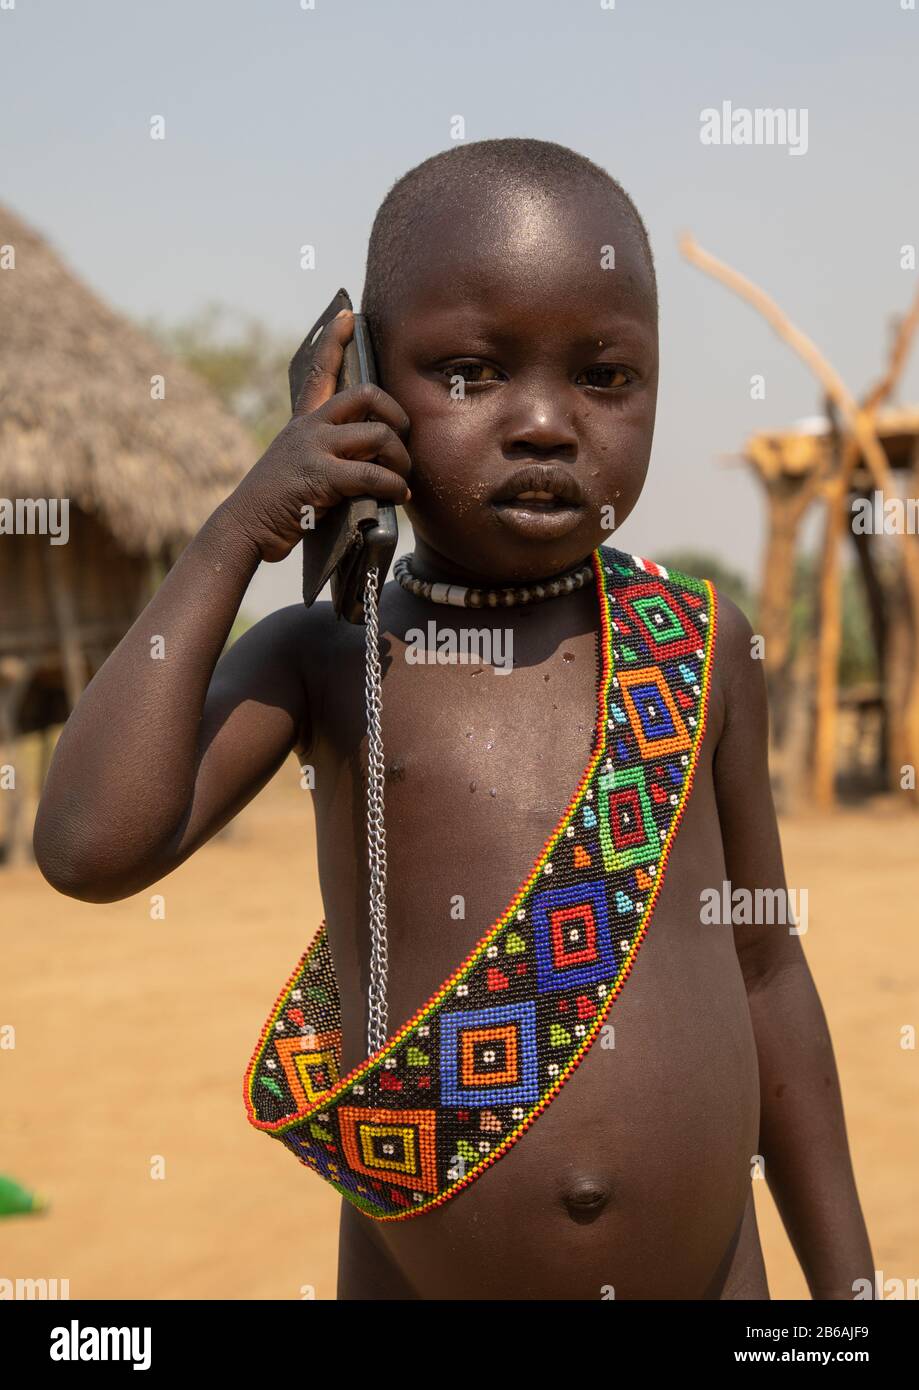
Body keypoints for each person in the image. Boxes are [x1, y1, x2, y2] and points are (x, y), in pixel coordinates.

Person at [34, 138, 873, 1300]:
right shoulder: (331, 660)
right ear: (363, 379)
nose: (544, 422)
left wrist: (850, 1298)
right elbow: (87, 846)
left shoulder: (697, 647)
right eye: (471, 372)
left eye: (606, 376)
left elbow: (768, 973)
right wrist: (242, 527)